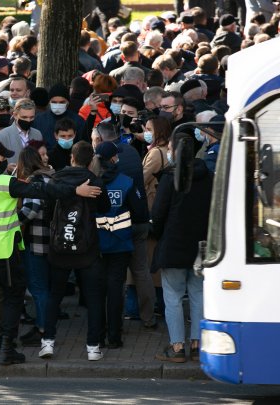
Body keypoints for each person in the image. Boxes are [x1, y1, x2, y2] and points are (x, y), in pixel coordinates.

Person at [0, 140, 103, 367]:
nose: (5, 161)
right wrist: (75, 190)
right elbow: (45, 190)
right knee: (12, 298)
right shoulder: (7, 183)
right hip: (5, 252)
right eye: (2, 157)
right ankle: (7, 350)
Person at [40, 141, 111, 361]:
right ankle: (93, 347)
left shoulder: (57, 179)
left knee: (55, 296)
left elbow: (48, 207)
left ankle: (48, 342)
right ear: (91, 161)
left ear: (71, 157)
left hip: (59, 248)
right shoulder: (95, 181)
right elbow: (105, 208)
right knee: (93, 297)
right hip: (87, 249)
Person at [152, 133, 213, 363]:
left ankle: (177, 346)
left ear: (176, 151)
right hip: (201, 246)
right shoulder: (208, 176)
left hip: (173, 245)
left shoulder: (170, 178)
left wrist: (159, 235)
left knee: (173, 296)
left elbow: (158, 214)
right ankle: (198, 345)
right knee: (198, 294)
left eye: (169, 147)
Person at [90, 142, 142, 349]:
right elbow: (139, 213)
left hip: (96, 245)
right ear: (112, 159)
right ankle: (114, 336)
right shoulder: (126, 182)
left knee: (97, 292)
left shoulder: (90, 182)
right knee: (115, 290)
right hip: (120, 244)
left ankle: (98, 336)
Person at [15, 147, 55, 348]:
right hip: (53, 241)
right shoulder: (51, 177)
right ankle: (45, 327)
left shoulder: (35, 182)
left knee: (38, 288)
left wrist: (11, 221)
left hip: (37, 242)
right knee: (46, 287)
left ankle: (43, 330)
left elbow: (31, 209)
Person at [0, 98, 42, 165]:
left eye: (31, 117)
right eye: (24, 117)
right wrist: (7, 169)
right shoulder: (2, 136)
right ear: (15, 115)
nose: (28, 120)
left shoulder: (37, 134)